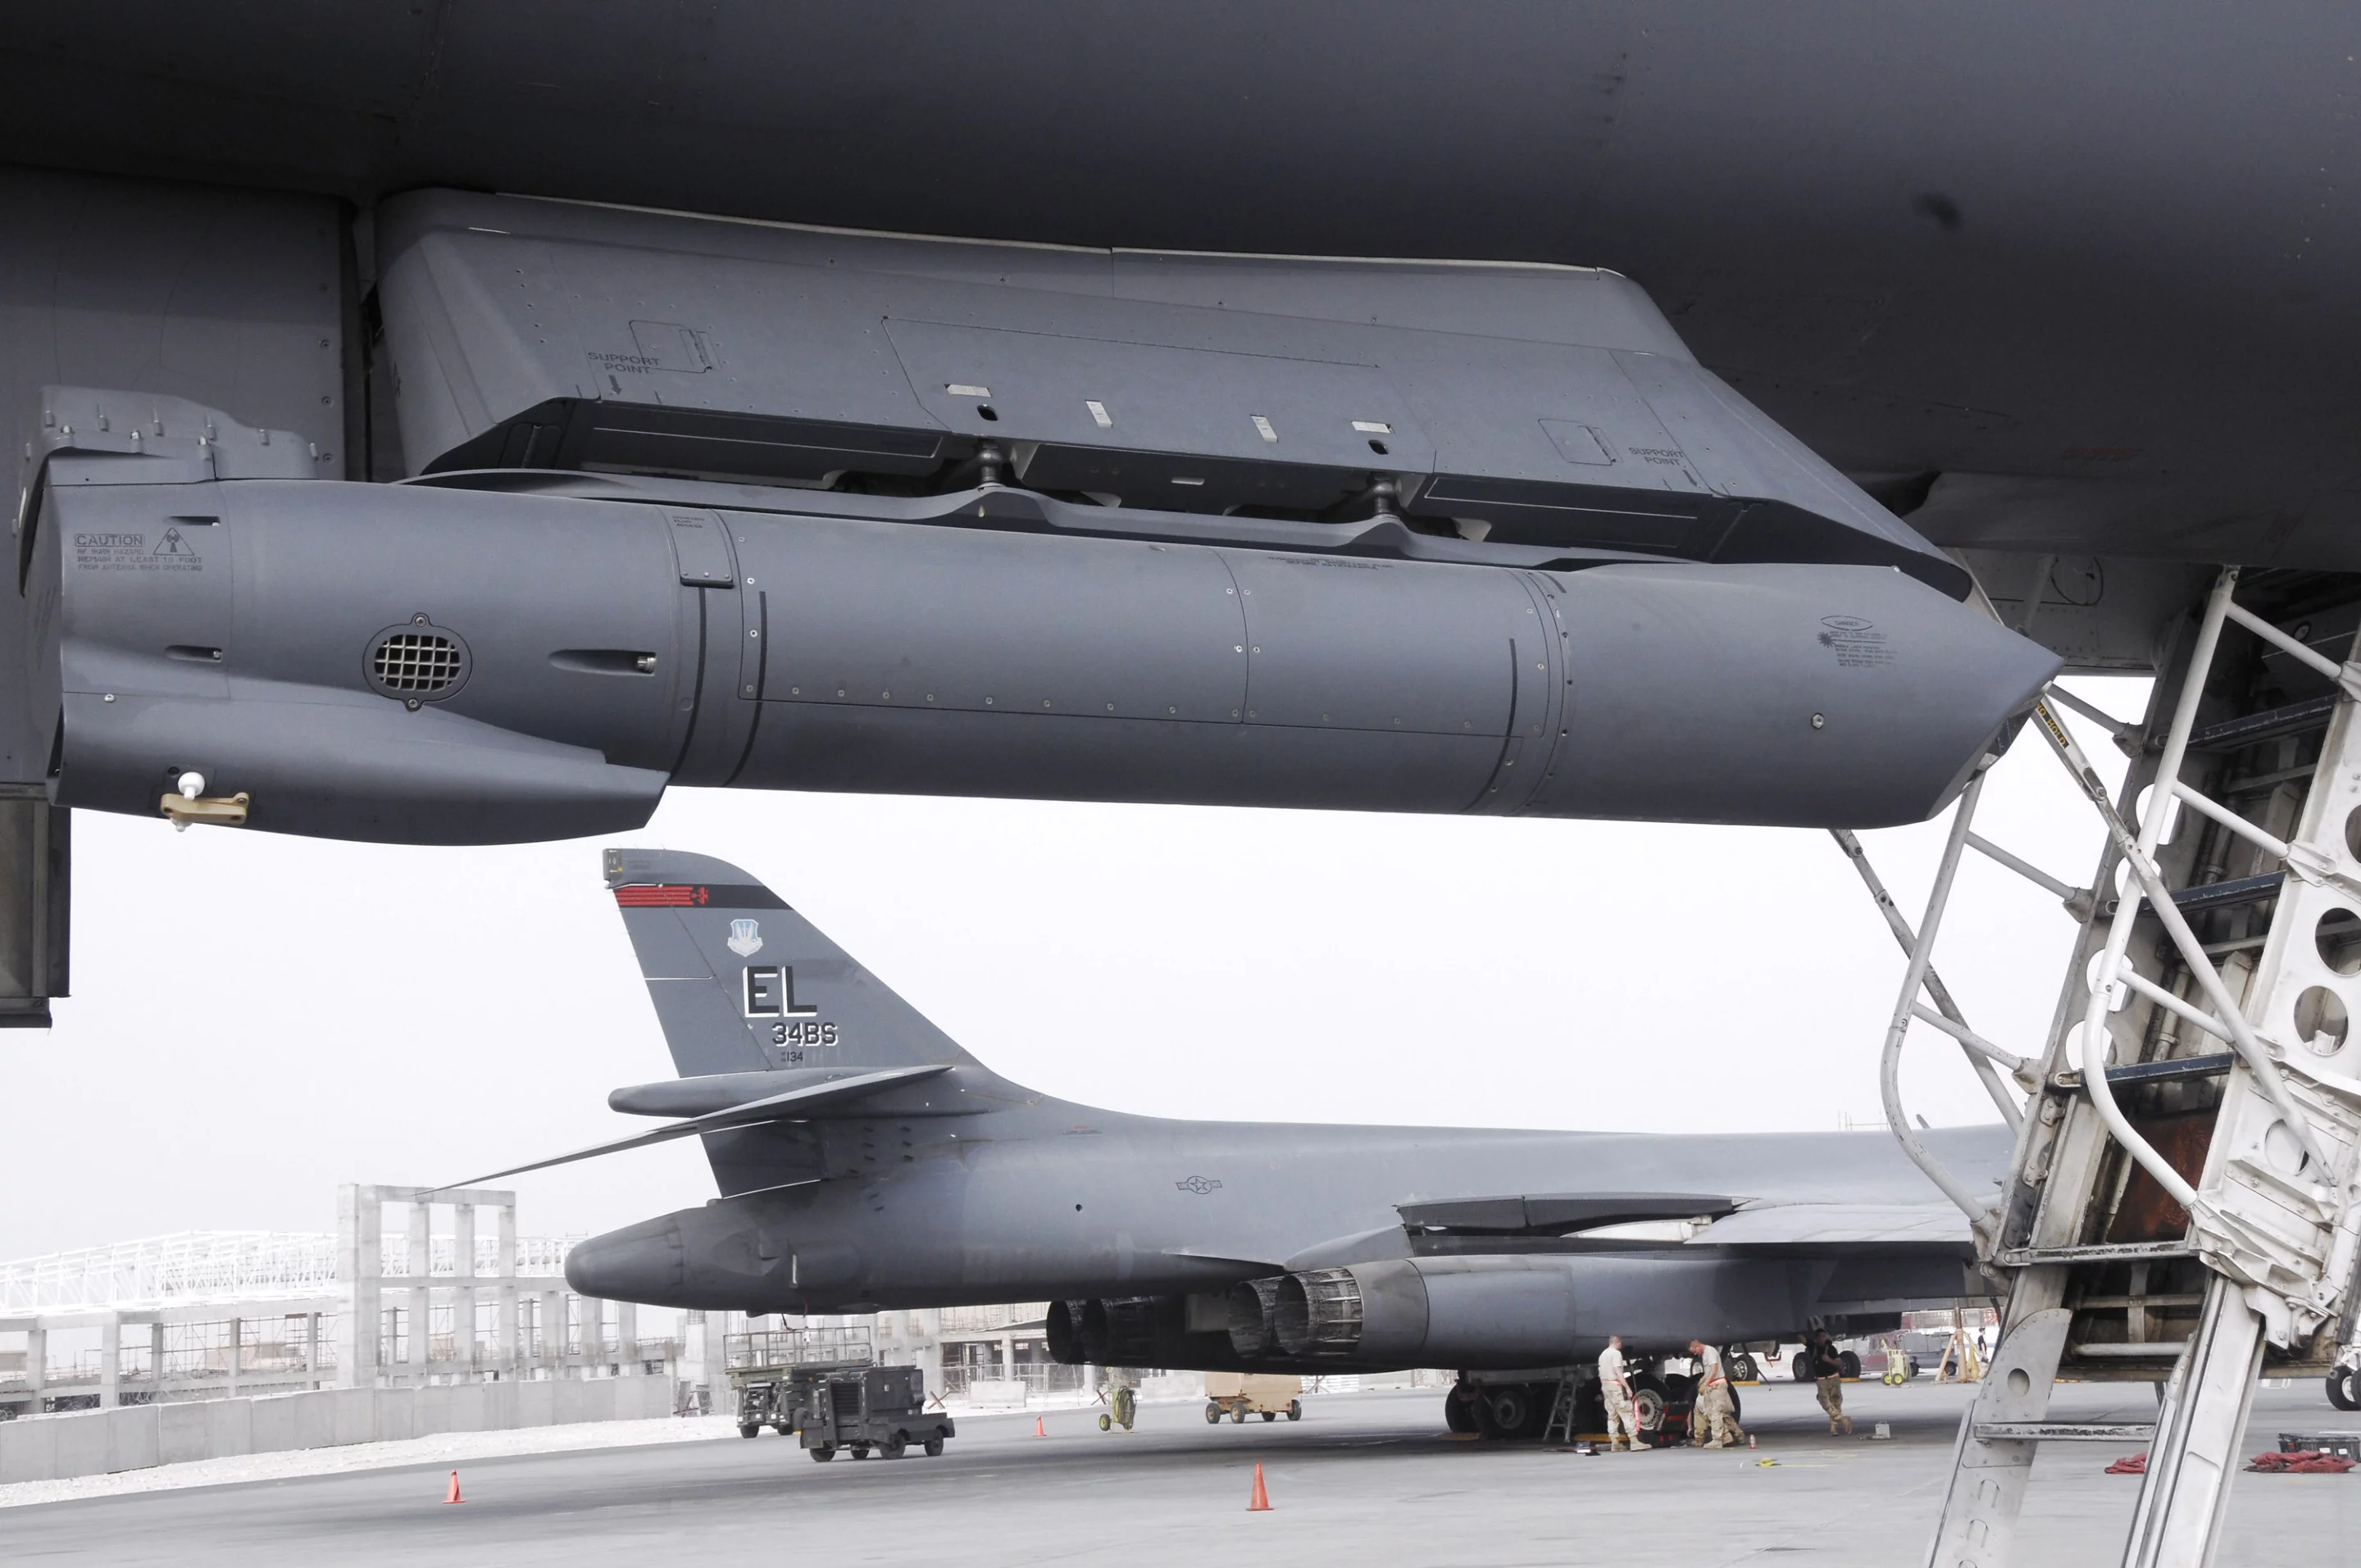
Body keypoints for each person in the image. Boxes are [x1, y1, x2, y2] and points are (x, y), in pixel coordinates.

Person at [1687, 1340, 1743, 1448]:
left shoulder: (1710, 1351)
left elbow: (1714, 1369)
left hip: (1718, 1386)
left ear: (1697, 1345)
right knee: (1723, 1414)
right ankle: (1736, 1435)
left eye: (1694, 1350)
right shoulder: (1705, 1355)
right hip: (1713, 1387)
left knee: (1715, 1413)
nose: (1695, 1354)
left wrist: (1706, 1383)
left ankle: (1718, 1440)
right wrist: (1701, 1382)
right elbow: (1708, 1373)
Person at [1599, 1334, 1642, 1452]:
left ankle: (1615, 1442)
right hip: (1615, 1386)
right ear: (1618, 1342)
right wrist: (1627, 1387)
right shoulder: (1616, 1354)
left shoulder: (1603, 1355)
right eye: (1620, 1343)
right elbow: (1618, 1371)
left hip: (1605, 1386)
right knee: (1626, 1412)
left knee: (1612, 1416)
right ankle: (1634, 1441)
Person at [1811, 1329, 1853, 1435]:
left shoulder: (1831, 1349)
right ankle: (1843, 1419)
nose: (1822, 1338)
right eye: (1820, 1337)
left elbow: (1839, 1363)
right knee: (1824, 1402)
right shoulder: (1813, 1349)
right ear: (1816, 1338)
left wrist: (1828, 1360)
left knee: (1835, 1402)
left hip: (1833, 1378)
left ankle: (1833, 1428)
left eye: (1824, 1336)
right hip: (1821, 1380)